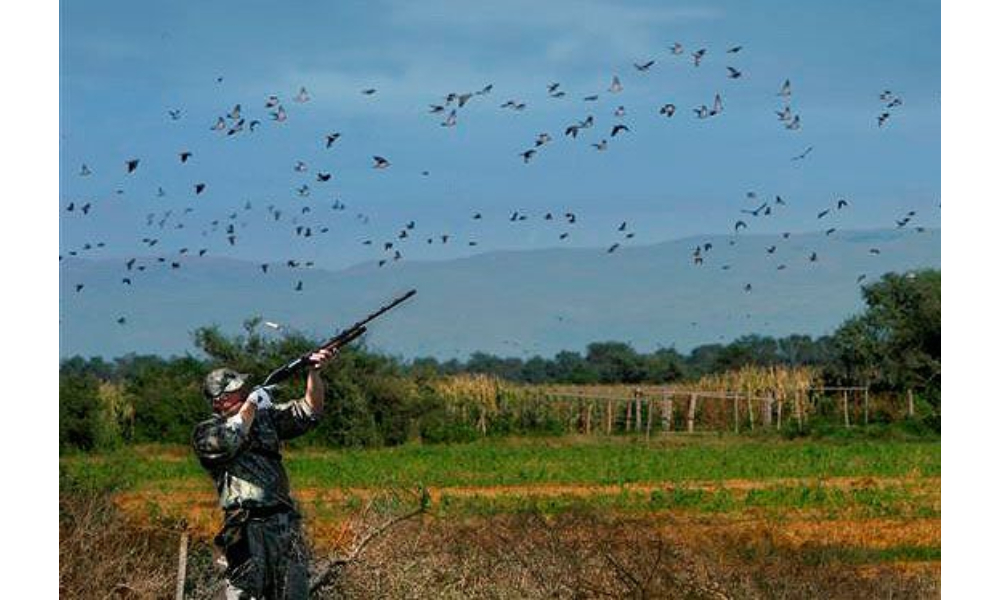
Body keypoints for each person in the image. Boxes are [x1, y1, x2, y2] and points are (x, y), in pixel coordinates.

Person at [192, 348, 337, 599]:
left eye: (244, 389)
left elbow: (310, 411)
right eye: (236, 391)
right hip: (245, 527)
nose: (244, 392)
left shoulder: (265, 418)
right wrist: (252, 404)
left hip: (283, 523)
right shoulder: (207, 432)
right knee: (245, 592)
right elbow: (231, 439)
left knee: (293, 592)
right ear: (218, 400)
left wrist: (314, 373)